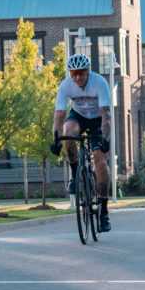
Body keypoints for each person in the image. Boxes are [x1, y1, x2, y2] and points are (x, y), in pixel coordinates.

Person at [51, 53, 113, 232]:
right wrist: (55, 138)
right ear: (70, 74)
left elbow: (106, 116)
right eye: (74, 74)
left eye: (81, 73)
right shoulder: (65, 86)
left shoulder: (99, 83)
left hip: (97, 121)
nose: (78, 77)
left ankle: (104, 211)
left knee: (100, 162)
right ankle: (75, 173)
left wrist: (105, 139)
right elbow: (59, 114)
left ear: (88, 71)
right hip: (78, 116)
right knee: (68, 133)